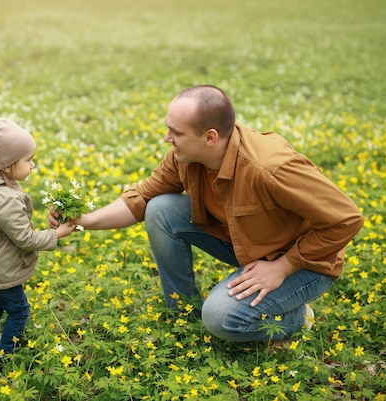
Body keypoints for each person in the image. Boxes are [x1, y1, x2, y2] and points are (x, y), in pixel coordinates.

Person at [50, 85, 364, 342]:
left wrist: (283, 267)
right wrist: (83, 222)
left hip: (305, 264)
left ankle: (296, 316)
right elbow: (143, 198)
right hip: (249, 245)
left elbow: (347, 219)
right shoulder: (185, 156)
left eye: (176, 132)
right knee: (160, 207)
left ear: (210, 137)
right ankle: (183, 313)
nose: (167, 139)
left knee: (220, 318)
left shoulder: (270, 167)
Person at [0, 118, 78, 365]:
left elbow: (13, 225)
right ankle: (4, 357)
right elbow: (25, 238)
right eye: (28, 159)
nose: (33, 165)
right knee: (19, 311)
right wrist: (57, 234)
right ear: (9, 165)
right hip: (2, 270)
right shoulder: (5, 198)